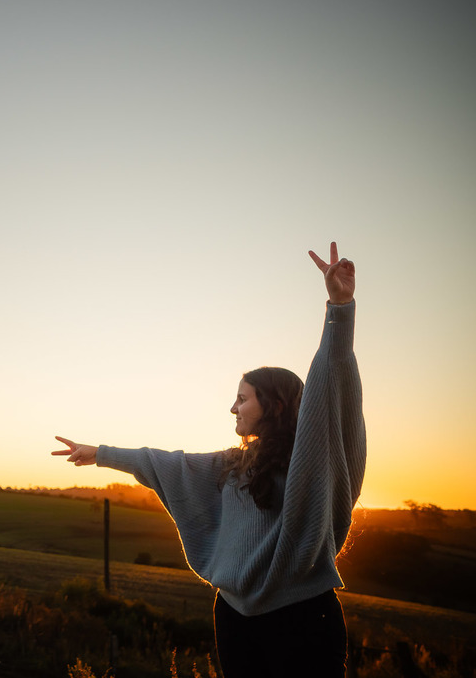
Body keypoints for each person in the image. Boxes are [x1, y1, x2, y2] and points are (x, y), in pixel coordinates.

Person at [52, 242, 364, 678]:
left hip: (304, 620)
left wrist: (339, 308)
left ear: (270, 403)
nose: (233, 408)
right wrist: (100, 454)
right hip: (236, 620)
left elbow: (328, 386)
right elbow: (165, 463)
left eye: (241, 398)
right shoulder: (233, 465)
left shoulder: (310, 461)